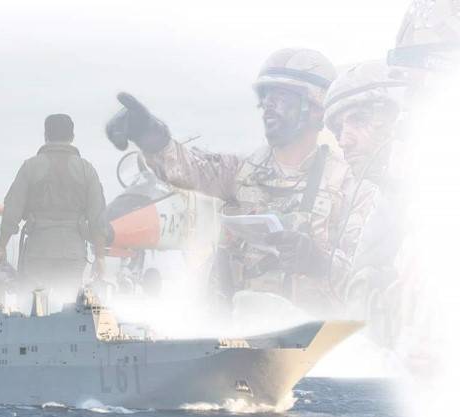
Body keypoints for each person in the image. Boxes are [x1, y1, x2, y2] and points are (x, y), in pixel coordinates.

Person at [106, 48, 375, 318]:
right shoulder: (241, 172)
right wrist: (148, 134)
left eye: (281, 97)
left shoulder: (351, 186)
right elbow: (187, 168)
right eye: (266, 97)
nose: (268, 106)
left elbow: (365, 281)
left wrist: (318, 262)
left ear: (317, 109)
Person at [323, 61, 406, 344]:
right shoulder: (386, 199)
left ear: (400, 121)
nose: (343, 141)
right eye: (338, 130)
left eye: (358, 120)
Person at [0, 114, 108, 304]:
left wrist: (1, 247)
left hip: (38, 251)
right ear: (72, 137)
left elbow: (12, 210)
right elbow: (98, 217)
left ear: (46, 135)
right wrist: (100, 257)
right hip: (73, 253)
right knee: (69, 307)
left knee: (33, 308)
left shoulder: (30, 167)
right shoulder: (87, 169)